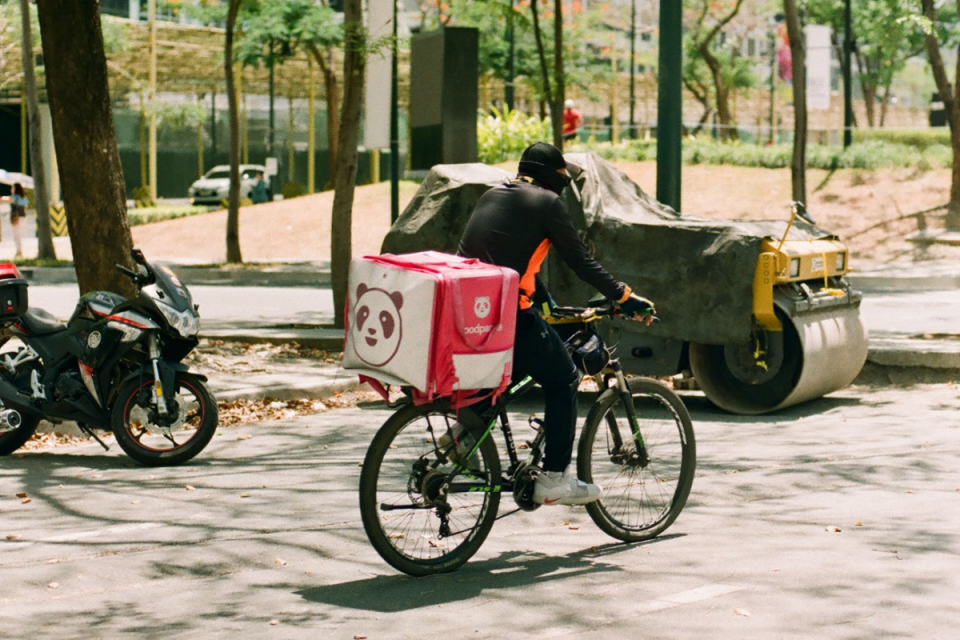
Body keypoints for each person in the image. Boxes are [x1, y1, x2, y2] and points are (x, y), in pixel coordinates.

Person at [458, 142, 655, 506]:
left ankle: (463, 435)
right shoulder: (547, 202)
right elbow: (581, 262)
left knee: (513, 370)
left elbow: (508, 256)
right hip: (507, 313)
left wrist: (543, 300)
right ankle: (553, 479)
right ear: (553, 179)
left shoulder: (492, 195)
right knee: (563, 377)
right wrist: (625, 297)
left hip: (471, 311)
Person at [9, 183, 27, 258]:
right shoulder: (24, 198)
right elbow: (25, 208)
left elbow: (4, 200)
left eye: (12, 188)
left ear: (15, 189)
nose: (11, 189)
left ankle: (19, 252)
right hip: (23, 218)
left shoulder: (13, 197)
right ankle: (19, 251)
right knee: (19, 235)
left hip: (16, 218)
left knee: (16, 236)